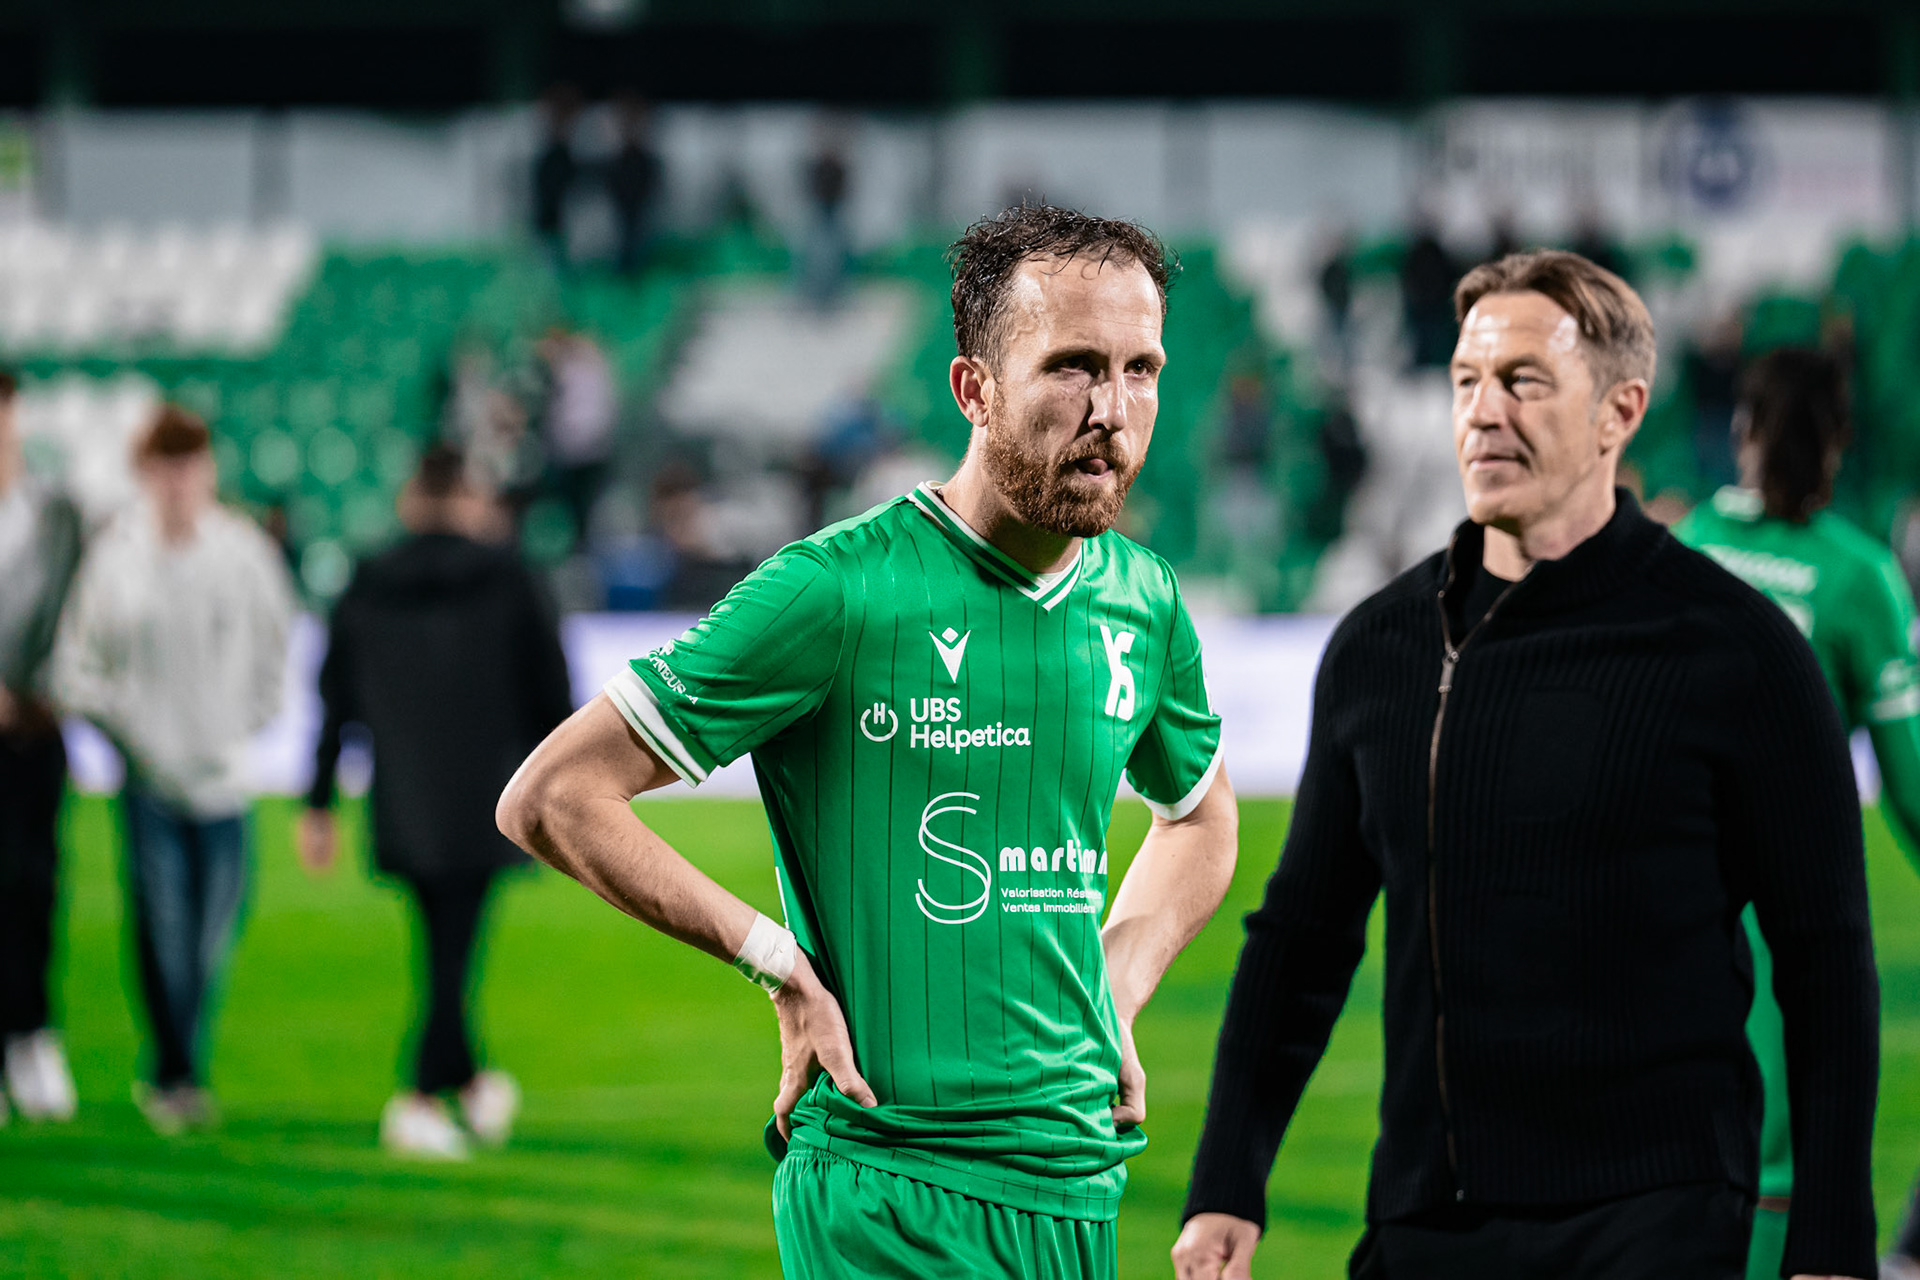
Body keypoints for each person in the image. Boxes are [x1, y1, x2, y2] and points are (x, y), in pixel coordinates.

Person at [497, 203, 1239, 1279]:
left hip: (1077, 1181)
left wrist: (1116, 980)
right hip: (887, 1189)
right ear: (973, 389)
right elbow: (555, 794)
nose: (1112, 411)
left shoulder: (1143, 599)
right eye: (1073, 367)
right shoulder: (836, 591)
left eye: (1141, 369)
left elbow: (1201, 816)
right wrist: (774, 960)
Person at [1174, 251, 1879, 1280]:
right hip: (1426, 1212)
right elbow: (1302, 938)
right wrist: (1227, 1177)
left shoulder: (1739, 650)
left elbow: (1825, 960)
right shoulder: (1379, 649)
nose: (1483, 411)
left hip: (1655, 1215)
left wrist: (1828, 1237)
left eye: (1524, 381)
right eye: (1466, 381)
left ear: (1619, 411)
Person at [1673, 348, 1920, 1280]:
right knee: (1778, 1163)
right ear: (1843, 444)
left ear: (1741, 430)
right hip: (1788, 917)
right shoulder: (1862, 580)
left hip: (1656, 901)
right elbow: (1913, 787)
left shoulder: (1684, 544)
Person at [301, 445, 573, 1160]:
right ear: (470, 498)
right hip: (492, 798)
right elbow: (555, 693)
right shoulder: (511, 577)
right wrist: (573, 797)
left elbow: (335, 699)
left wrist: (320, 799)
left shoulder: (367, 581)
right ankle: (419, 1094)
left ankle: (471, 1080)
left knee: (441, 945)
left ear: (411, 498)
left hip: (404, 799)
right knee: (453, 952)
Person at [52, 405, 293, 1134]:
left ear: (208, 469)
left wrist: (241, 722)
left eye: (190, 464)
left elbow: (274, 647)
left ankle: (179, 1060)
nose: (180, 481)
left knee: (209, 936)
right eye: (165, 466)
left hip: (223, 781)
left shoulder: (243, 553)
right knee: (163, 931)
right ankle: (176, 1071)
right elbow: (76, 667)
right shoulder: (115, 559)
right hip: (149, 783)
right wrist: (127, 733)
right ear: (144, 474)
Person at [0, 369, 83, 1124]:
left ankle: (32, 1036)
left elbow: (82, 614)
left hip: (33, 735)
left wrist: (45, 690)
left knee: (33, 888)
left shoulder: (57, 514)